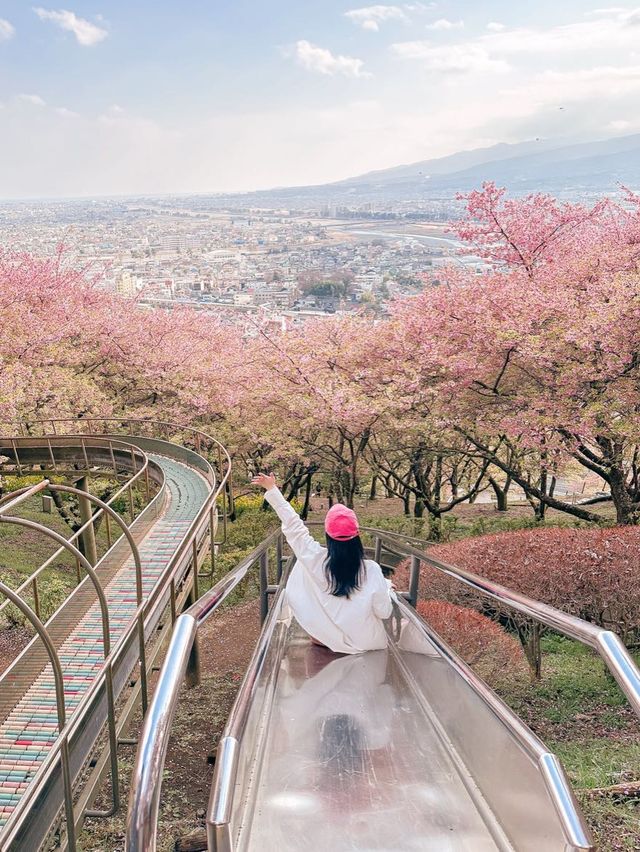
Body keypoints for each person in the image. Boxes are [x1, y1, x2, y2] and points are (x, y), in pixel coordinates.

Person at [252, 473, 395, 654]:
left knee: (302, 564)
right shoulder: (371, 570)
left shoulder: (315, 558)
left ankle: (323, 632)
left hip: (323, 639)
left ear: (328, 535)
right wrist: (386, 588)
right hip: (365, 644)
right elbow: (384, 613)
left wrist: (272, 489)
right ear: (357, 536)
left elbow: (294, 527)